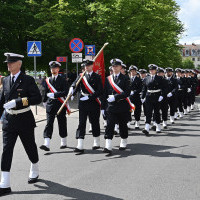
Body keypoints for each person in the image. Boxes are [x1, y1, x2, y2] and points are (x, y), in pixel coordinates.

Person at [0, 53, 42, 196]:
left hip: (24, 119)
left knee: (30, 147)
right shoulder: (5, 80)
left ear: (19, 63)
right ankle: (5, 184)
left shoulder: (28, 80)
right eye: (7, 62)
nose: (8, 64)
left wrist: (18, 102)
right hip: (9, 120)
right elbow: (1, 101)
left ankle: (34, 167)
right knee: (6, 150)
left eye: (11, 62)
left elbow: (37, 98)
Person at [69, 59, 103, 153]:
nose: (86, 67)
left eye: (88, 65)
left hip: (93, 102)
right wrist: (72, 90)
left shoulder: (97, 77)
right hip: (83, 103)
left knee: (94, 122)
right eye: (85, 66)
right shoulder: (81, 76)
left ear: (92, 66)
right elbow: (75, 84)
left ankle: (96, 141)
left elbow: (100, 91)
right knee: (82, 123)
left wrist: (90, 97)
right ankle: (80, 145)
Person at [102, 58, 131, 153]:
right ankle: (108, 145)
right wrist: (103, 107)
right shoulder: (108, 79)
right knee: (109, 125)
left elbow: (127, 92)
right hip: (111, 107)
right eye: (113, 66)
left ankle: (123, 141)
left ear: (120, 67)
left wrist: (116, 97)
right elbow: (104, 93)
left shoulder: (125, 78)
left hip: (122, 106)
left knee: (122, 125)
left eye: (116, 66)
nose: (114, 67)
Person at [40, 61, 69, 151]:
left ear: (58, 69)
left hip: (60, 104)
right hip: (50, 104)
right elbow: (45, 91)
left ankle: (63, 141)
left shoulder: (63, 79)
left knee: (61, 122)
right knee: (49, 123)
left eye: (55, 68)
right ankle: (46, 143)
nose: (53, 69)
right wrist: (44, 101)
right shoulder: (48, 80)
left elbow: (66, 92)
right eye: (52, 68)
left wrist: (55, 95)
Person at [141, 64, 165, 136]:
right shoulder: (146, 78)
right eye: (150, 70)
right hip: (149, 96)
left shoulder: (160, 78)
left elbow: (164, 88)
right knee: (148, 112)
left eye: (153, 70)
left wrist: (162, 95)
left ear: (155, 70)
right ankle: (147, 128)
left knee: (156, 112)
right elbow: (144, 89)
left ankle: (158, 126)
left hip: (157, 96)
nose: (151, 71)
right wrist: (142, 97)